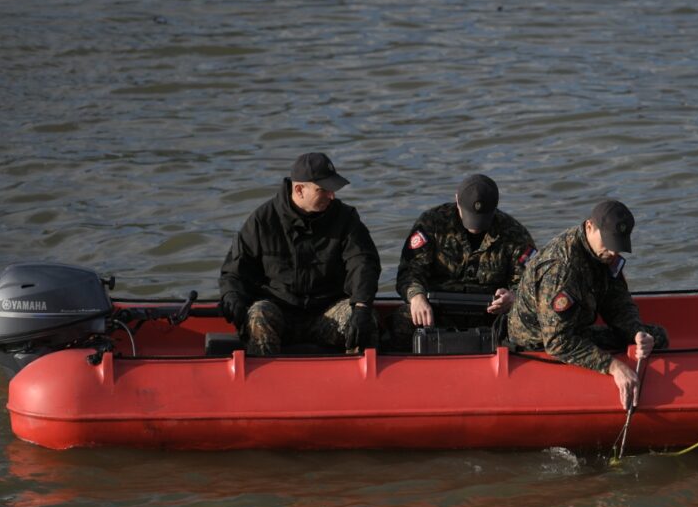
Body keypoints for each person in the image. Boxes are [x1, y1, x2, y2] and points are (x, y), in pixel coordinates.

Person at [506, 199, 669, 409]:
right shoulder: (561, 269)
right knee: (659, 336)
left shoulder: (603, 254)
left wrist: (635, 332)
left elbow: (617, 301)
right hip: (537, 340)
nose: (612, 252)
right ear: (589, 226)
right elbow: (558, 342)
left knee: (654, 336)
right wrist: (613, 366)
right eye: (608, 243)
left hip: (573, 325)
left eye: (617, 246)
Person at [218, 152, 381, 355]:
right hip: (280, 313)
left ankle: (360, 383)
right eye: (324, 190)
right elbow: (234, 271)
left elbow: (363, 263)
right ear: (299, 189)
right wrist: (232, 296)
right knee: (259, 315)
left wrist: (362, 306)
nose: (332, 196)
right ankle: (264, 382)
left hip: (326, 313)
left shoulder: (345, 218)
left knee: (363, 320)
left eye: (334, 190)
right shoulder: (263, 220)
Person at [391, 174, 537, 347]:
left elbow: (531, 282)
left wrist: (513, 297)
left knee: (531, 325)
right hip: (437, 310)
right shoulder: (432, 224)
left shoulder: (514, 233)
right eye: (469, 216)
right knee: (403, 319)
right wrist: (417, 297)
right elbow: (410, 271)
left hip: (491, 315)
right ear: (457, 201)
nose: (475, 226)